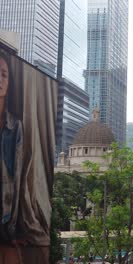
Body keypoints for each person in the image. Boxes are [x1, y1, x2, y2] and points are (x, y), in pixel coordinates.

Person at [0, 50, 24, 263]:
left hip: (5, 223)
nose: (0, 80)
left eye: (4, 74)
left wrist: (13, 229)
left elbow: (18, 177)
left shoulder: (15, 126)